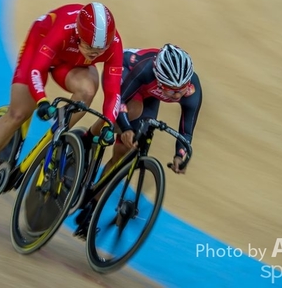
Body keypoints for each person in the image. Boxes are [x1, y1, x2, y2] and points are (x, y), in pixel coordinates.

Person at [0, 2, 123, 204]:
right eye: (91, 48)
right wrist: (42, 101)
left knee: (88, 91)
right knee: (19, 113)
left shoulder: (113, 43)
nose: (96, 54)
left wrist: (109, 121)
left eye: (102, 49)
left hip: (71, 64)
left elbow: (113, 90)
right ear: (79, 35)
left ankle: (56, 138)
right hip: (40, 47)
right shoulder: (64, 29)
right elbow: (37, 69)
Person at [72, 43, 202, 239]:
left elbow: (186, 130)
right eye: (171, 90)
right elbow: (119, 102)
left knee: (125, 152)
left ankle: (92, 205)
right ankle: (87, 139)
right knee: (129, 115)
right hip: (126, 71)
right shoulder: (146, 70)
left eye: (180, 91)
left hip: (149, 92)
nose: (177, 95)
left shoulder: (191, 88)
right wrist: (124, 128)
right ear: (160, 79)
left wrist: (180, 155)